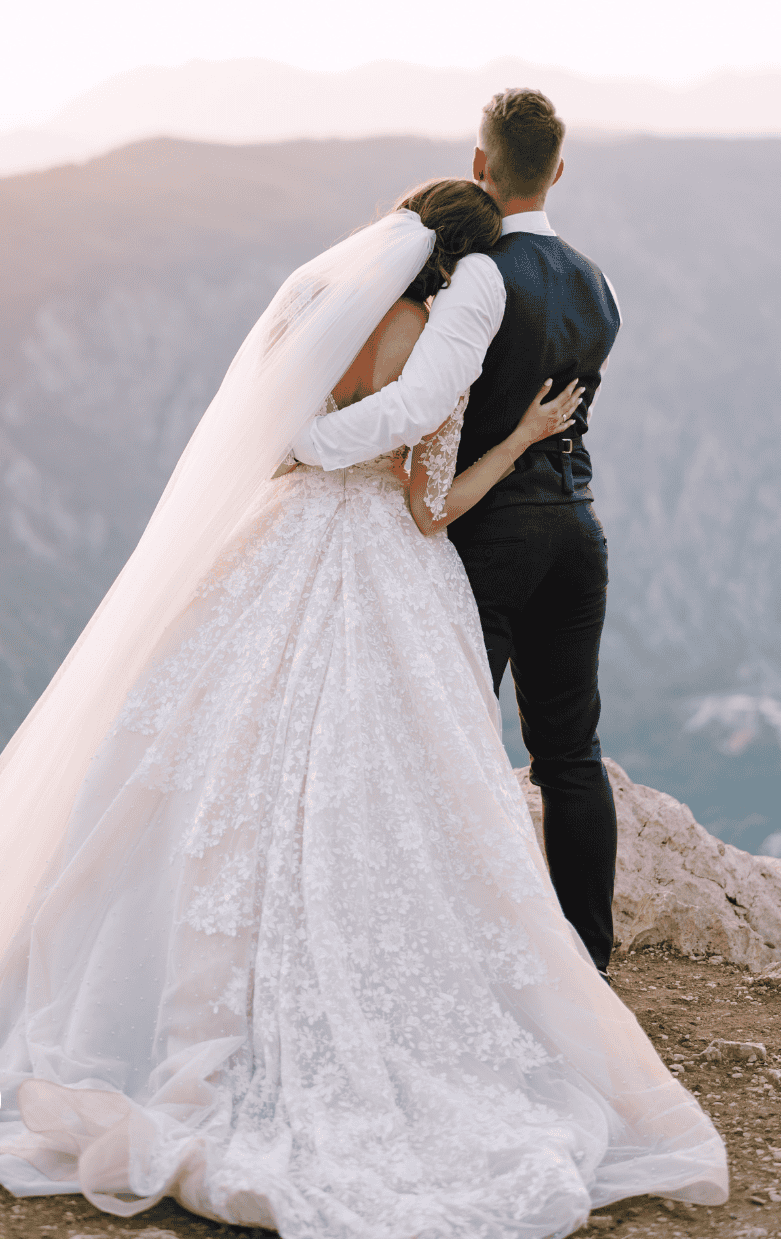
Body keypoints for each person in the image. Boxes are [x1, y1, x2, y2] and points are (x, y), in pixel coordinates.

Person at [0, 180, 725, 1236]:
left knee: (203, 758)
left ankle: (147, 990)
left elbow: (274, 440)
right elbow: (429, 506)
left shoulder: (311, 315)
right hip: (384, 567)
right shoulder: (435, 348)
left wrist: (325, 450)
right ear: (463, 271)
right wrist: (519, 442)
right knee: (387, 791)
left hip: (270, 548)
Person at [293, 90, 621, 977]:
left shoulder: (482, 276)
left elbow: (424, 404)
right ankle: (588, 959)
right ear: (558, 170)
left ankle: (439, 947)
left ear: (481, 164)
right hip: (577, 531)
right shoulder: (601, 282)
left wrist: (311, 442)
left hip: (494, 533)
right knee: (571, 752)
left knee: (447, 744)